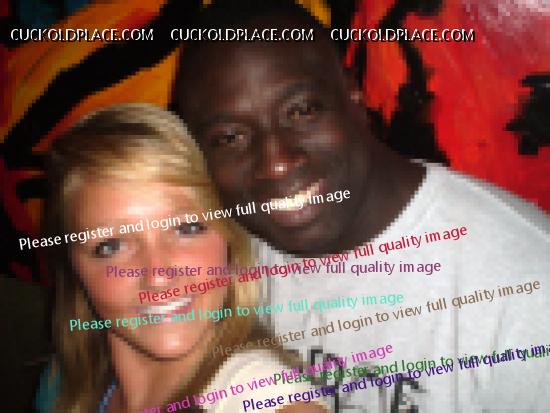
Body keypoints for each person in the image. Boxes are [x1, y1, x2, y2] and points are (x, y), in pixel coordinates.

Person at [175, 1, 550, 411]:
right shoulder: (221, 259)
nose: (275, 162)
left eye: (301, 111)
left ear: (354, 96)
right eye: (230, 137)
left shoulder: (527, 291)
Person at [36, 104, 328, 413]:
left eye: (186, 229)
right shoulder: (61, 383)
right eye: (111, 246)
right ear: (73, 265)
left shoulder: (261, 393)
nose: (158, 274)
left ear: (229, 237)